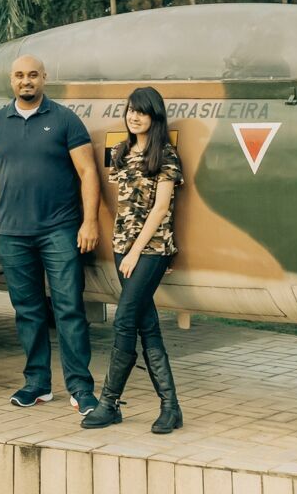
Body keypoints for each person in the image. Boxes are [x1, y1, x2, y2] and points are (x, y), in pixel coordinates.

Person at [0, 54, 103, 415]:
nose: (25, 81)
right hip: (13, 233)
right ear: (11, 81)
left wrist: (89, 222)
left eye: (32, 75)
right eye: (19, 76)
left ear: (44, 77)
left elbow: (88, 173)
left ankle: (80, 388)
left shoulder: (64, 119)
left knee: (69, 309)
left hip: (59, 230)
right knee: (27, 311)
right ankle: (37, 384)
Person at [81, 86, 184, 433]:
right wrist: (124, 248)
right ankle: (171, 408)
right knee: (146, 325)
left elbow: (160, 209)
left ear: (154, 117)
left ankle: (108, 402)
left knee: (125, 321)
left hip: (152, 249)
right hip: (123, 246)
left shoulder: (166, 156)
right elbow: (124, 203)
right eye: (130, 110)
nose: (134, 116)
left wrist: (136, 251)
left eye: (141, 111)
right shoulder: (121, 151)